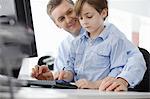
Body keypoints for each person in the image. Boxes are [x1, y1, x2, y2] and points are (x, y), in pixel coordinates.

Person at [31, 0, 146, 91]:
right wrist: (51, 79)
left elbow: (136, 59)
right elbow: (65, 78)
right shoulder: (65, 47)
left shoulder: (111, 34)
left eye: (70, 12)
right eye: (61, 18)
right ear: (57, 25)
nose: (69, 19)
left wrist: (122, 80)